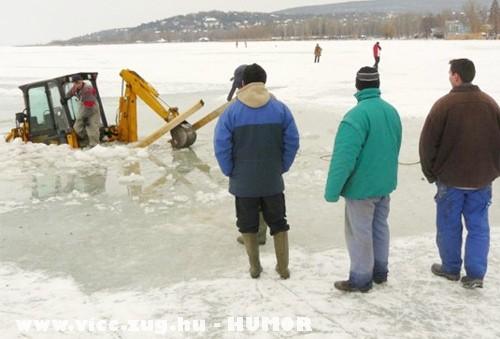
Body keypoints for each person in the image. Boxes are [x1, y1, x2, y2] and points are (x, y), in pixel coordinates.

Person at [419, 58, 500, 289]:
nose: (449, 77)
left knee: (448, 225)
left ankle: (451, 268)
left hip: (451, 180)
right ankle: (475, 273)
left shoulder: (444, 105)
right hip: (481, 180)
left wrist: (431, 172)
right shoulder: (490, 104)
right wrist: (493, 169)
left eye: (450, 73)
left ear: (456, 76)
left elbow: (427, 144)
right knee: (478, 226)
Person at [214, 63, 300, 279]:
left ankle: (255, 267)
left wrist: (230, 170)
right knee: (279, 222)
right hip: (272, 179)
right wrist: (281, 166)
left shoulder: (231, 112)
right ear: (263, 81)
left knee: (247, 224)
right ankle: (283, 268)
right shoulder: (280, 109)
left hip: (243, 182)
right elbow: (292, 141)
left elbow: (221, 145)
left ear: (242, 83)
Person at [324, 67, 402, 292]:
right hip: (384, 184)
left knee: (360, 233)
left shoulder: (355, 116)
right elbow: (394, 146)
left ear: (357, 86)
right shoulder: (391, 111)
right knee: (379, 227)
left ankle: (360, 278)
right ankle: (380, 271)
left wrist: (332, 191)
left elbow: (344, 158)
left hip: (361, 189)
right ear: (377, 84)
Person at [228, 65, 269, 245]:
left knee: (250, 200)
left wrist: (229, 168)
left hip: (246, 162)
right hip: (266, 162)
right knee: (262, 197)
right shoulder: (270, 102)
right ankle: (258, 232)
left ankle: (254, 235)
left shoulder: (239, 107)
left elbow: (223, 142)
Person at [65, 74, 100, 147]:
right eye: (75, 83)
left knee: (92, 128)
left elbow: (89, 105)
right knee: (77, 127)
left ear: (82, 81)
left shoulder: (88, 89)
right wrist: (65, 98)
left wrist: (85, 118)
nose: (77, 84)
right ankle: (87, 141)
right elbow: (71, 92)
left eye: (78, 83)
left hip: (92, 110)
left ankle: (95, 146)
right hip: (84, 108)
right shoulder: (75, 87)